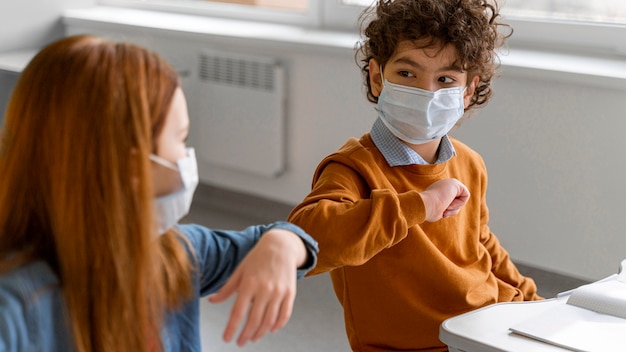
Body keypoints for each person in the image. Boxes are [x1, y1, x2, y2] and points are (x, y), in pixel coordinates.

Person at [0, 34, 318, 352]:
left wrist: (283, 244)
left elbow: (285, 238)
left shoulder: (174, 252)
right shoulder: (15, 307)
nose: (186, 155)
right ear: (134, 168)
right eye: (181, 139)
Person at [287, 0, 543, 350]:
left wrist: (534, 303)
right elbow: (307, 237)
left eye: (445, 79)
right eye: (407, 74)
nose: (427, 92)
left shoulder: (469, 162)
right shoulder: (353, 169)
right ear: (378, 78)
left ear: (467, 91)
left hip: (488, 327)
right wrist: (420, 205)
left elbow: (480, 243)